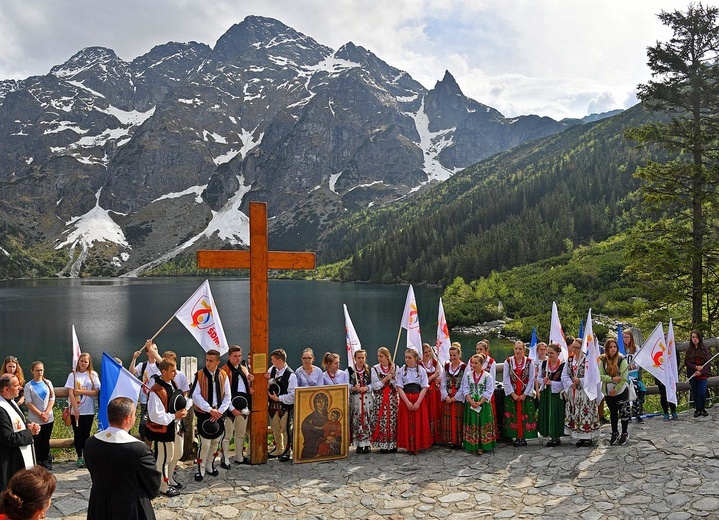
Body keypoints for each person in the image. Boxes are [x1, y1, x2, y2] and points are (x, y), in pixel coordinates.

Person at [84, 397, 161, 520]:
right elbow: (153, 484)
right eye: (134, 414)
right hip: (131, 509)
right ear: (128, 418)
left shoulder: (90, 443)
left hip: (100, 506)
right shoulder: (139, 450)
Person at [146, 359, 188, 497]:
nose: (175, 373)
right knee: (164, 458)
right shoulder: (156, 391)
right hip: (163, 430)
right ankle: (163, 486)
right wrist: (174, 416)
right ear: (164, 372)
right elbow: (154, 415)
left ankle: (169, 478)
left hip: (175, 427)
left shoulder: (173, 384)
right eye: (173, 370)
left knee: (177, 453)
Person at [192, 349, 231, 480]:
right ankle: (200, 469)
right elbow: (196, 395)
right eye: (207, 360)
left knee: (215, 442)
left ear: (217, 362)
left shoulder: (224, 375)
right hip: (205, 413)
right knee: (205, 444)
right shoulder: (199, 375)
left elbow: (227, 396)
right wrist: (210, 410)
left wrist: (219, 411)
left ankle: (210, 465)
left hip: (218, 413)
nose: (208, 363)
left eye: (211, 361)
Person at [0, 375, 39, 492]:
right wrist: (29, 432)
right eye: (16, 385)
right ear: (6, 389)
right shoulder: (1, 409)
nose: (20, 388)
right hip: (10, 460)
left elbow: (20, 422)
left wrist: (31, 425)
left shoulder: (11, 402)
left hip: (19, 456)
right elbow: (8, 437)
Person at [64, 352, 100, 468]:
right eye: (81, 361)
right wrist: (75, 409)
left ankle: (87, 456)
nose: (83, 363)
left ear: (89, 363)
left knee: (87, 434)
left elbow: (96, 392)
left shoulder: (92, 374)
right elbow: (70, 392)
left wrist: (81, 392)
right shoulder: (73, 375)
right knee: (78, 434)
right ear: (78, 361)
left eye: (86, 361)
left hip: (88, 410)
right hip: (76, 410)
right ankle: (79, 457)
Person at [562, 338, 600, 446]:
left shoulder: (588, 360)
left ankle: (588, 436)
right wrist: (570, 383)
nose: (574, 349)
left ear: (581, 348)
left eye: (576, 347)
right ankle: (579, 436)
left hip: (585, 392)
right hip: (574, 392)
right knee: (575, 413)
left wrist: (581, 381)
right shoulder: (569, 360)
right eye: (573, 347)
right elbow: (564, 374)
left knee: (585, 412)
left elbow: (593, 376)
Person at [221, 345, 253, 466]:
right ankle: (225, 458)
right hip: (230, 408)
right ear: (229, 356)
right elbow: (223, 394)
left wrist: (251, 388)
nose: (238, 358)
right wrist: (231, 408)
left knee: (240, 433)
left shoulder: (244, 369)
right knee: (228, 435)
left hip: (244, 406)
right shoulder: (224, 371)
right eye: (235, 356)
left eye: (239, 356)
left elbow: (246, 387)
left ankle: (239, 456)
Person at [395, 348, 431, 455]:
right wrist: (406, 402)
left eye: (410, 358)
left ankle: (417, 446)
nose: (407, 360)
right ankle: (408, 446)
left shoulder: (421, 370)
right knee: (407, 422)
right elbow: (399, 387)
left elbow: (424, 387)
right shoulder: (402, 370)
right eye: (406, 357)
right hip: (406, 399)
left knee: (418, 422)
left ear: (415, 358)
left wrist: (418, 402)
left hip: (417, 398)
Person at [503, 340, 537, 447]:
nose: (518, 351)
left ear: (524, 350)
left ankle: (524, 436)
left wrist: (525, 394)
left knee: (525, 414)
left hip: (524, 394)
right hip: (513, 394)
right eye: (516, 349)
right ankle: (516, 436)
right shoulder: (508, 362)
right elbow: (506, 379)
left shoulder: (529, 362)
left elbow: (531, 379)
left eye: (520, 349)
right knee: (513, 415)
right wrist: (512, 394)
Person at [460, 353, 496, 454]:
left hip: (483, 404)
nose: (473, 365)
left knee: (483, 423)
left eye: (476, 363)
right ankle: (472, 445)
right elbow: (465, 388)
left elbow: (489, 390)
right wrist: (470, 401)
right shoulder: (468, 375)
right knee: (472, 423)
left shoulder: (487, 376)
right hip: (471, 403)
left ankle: (482, 446)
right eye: (472, 363)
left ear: (482, 364)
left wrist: (480, 402)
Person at [266, 348, 297, 462]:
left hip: (285, 407)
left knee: (285, 429)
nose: (272, 362)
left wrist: (279, 398)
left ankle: (286, 451)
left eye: (273, 360)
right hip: (273, 406)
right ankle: (279, 448)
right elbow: (267, 379)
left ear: (279, 360)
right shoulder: (272, 370)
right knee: (275, 428)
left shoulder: (291, 375)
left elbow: (293, 395)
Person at [23, 362, 55, 470]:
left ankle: (46, 459)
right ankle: (37, 461)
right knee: (37, 440)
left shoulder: (48, 383)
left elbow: (52, 398)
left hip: (48, 418)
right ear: (32, 371)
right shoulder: (29, 386)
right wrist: (40, 414)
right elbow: (28, 402)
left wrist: (46, 413)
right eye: (37, 370)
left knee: (46, 440)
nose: (39, 372)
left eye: (41, 370)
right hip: (35, 418)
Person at [130, 340, 162, 445]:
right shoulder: (143, 365)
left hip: (159, 400)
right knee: (144, 426)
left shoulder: (161, 365)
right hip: (145, 401)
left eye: (156, 349)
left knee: (157, 425)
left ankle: (156, 449)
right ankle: (147, 448)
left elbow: (164, 364)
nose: (154, 351)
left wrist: (151, 348)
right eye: (151, 349)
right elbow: (132, 372)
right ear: (147, 353)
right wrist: (134, 358)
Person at [599, 339, 630, 446]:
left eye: (614, 347)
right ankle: (614, 432)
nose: (613, 349)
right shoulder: (603, 360)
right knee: (613, 413)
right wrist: (611, 379)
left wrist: (616, 389)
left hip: (620, 391)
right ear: (607, 348)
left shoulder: (622, 360)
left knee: (623, 412)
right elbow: (601, 375)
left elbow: (624, 378)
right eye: (610, 347)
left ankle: (624, 432)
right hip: (608, 392)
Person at [537, 343, 566, 447]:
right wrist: (543, 381)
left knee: (555, 413)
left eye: (551, 353)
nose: (549, 355)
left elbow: (564, 382)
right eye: (548, 352)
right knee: (547, 412)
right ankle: (549, 434)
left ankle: (556, 436)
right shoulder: (544, 364)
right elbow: (539, 378)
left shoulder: (563, 365)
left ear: (558, 353)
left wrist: (551, 383)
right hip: (546, 392)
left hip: (556, 394)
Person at [371, 346, 398, 454]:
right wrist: (385, 379)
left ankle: (393, 444)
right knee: (382, 421)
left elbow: (397, 386)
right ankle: (383, 444)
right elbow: (375, 386)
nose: (379, 358)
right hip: (380, 398)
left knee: (392, 421)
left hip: (392, 399)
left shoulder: (395, 367)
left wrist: (393, 378)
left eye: (381, 356)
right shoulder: (375, 369)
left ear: (387, 357)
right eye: (378, 356)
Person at [347, 349, 374, 454]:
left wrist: (367, 388)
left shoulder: (369, 370)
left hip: (367, 398)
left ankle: (367, 443)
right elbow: (346, 384)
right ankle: (359, 443)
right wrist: (353, 388)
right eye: (359, 358)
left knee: (367, 418)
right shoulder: (350, 371)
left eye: (363, 357)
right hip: (356, 399)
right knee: (357, 419)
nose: (361, 360)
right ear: (355, 358)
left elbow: (373, 383)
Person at [439, 343, 465, 448]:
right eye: (451, 355)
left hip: (458, 397)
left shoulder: (464, 367)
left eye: (455, 355)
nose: (453, 357)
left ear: (459, 355)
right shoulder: (446, 366)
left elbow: (464, 385)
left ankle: (458, 441)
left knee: (458, 418)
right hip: (448, 397)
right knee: (448, 418)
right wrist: (446, 396)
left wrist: (456, 397)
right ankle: (449, 440)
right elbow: (443, 383)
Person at [421, 343, 443, 444]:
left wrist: (438, 378)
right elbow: (423, 381)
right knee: (427, 413)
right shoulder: (420, 365)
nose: (428, 354)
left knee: (436, 412)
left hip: (435, 392)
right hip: (425, 393)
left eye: (429, 351)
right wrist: (434, 375)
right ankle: (428, 436)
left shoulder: (434, 362)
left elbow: (441, 376)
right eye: (426, 352)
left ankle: (436, 436)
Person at [685, 329, 710, 417]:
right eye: (693, 337)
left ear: (699, 338)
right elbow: (687, 362)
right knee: (695, 393)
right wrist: (695, 367)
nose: (695, 339)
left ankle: (702, 408)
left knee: (702, 392)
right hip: (693, 373)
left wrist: (702, 371)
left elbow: (707, 363)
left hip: (702, 375)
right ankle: (697, 409)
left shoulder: (704, 349)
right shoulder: (689, 349)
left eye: (696, 337)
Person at [623, 329, 646, 423]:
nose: (625, 339)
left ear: (631, 338)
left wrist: (633, 366)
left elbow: (640, 361)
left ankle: (637, 414)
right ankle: (627, 414)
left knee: (635, 393)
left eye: (627, 337)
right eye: (624, 337)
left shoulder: (636, 349)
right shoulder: (621, 348)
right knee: (625, 395)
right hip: (623, 375)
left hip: (633, 374)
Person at [300, 391, 329, 459]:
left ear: (326, 403)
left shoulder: (330, 416)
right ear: (315, 404)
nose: (321, 404)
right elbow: (308, 432)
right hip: (312, 449)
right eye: (318, 402)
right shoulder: (309, 419)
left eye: (323, 401)